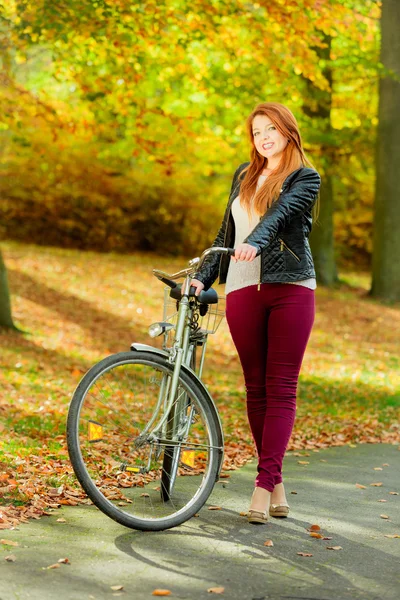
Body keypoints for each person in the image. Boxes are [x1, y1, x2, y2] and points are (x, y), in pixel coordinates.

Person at [190, 102, 321, 524]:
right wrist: (203, 277)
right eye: (257, 131)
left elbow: (280, 216)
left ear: (288, 131)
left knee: (280, 386)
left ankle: (263, 486)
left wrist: (258, 242)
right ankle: (276, 481)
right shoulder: (242, 176)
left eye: (271, 128)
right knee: (255, 388)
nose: (264, 137)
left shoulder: (305, 177)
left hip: (291, 289)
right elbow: (225, 235)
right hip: (244, 289)